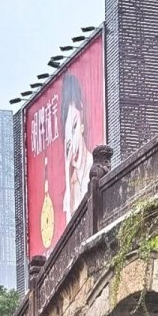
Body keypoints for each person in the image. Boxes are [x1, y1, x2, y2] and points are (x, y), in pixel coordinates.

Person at [61, 73, 93, 222]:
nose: (72, 145)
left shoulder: (94, 167)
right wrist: (68, 181)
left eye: (74, 127)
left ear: (82, 125)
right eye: (67, 143)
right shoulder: (71, 186)